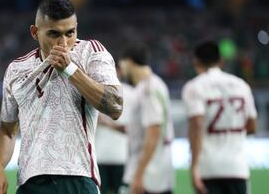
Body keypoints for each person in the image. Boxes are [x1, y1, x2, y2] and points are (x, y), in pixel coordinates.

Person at [0, 0, 123, 194]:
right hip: (30, 182)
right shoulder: (17, 70)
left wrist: (70, 70)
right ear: (35, 32)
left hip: (78, 177)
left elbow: (115, 106)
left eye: (70, 33)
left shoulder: (91, 53)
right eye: (53, 34)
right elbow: (8, 130)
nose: (63, 42)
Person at [182, 41, 257, 194]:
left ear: (196, 62)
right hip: (238, 167)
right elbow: (252, 126)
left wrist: (194, 166)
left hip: (209, 168)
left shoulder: (194, 86)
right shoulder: (242, 85)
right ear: (221, 61)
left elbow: (197, 124)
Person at [118, 43, 175, 194]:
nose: (122, 70)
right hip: (157, 170)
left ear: (128, 62)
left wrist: (139, 173)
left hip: (149, 175)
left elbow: (153, 132)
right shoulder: (153, 85)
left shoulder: (149, 89)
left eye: (122, 64)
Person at [96, 69, 135, 194]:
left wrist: (106, 123)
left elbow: (134, 126)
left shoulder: (131, 93)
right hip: (101, 156)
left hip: (120, 156)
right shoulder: (94, 89)